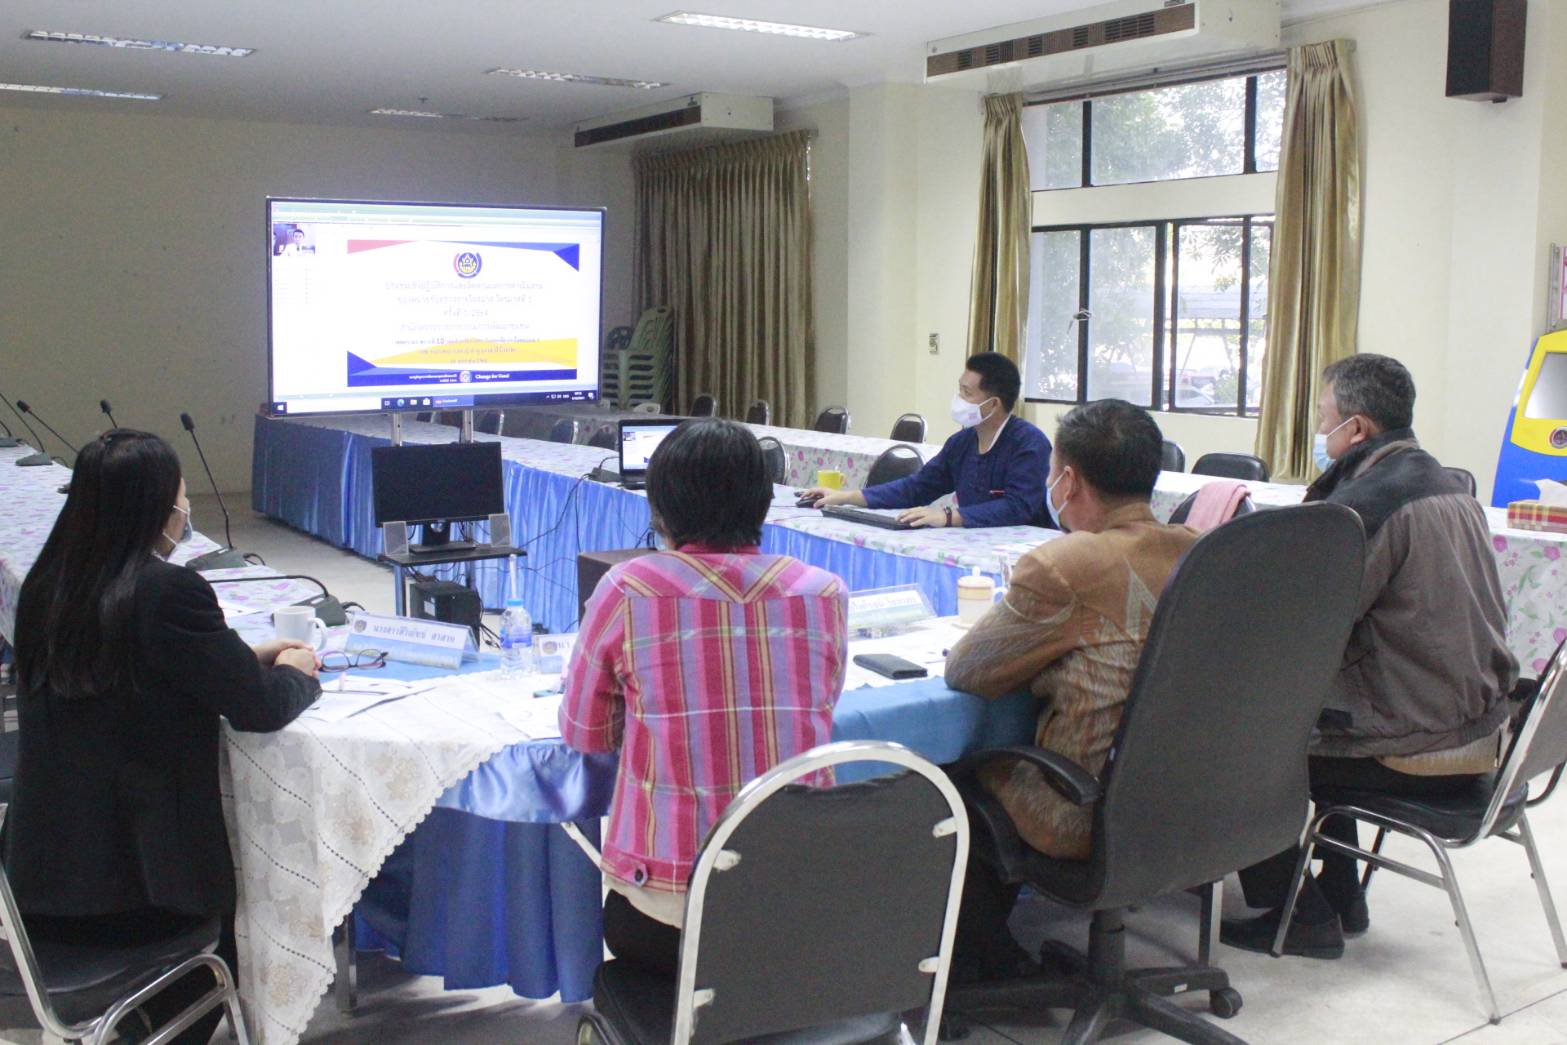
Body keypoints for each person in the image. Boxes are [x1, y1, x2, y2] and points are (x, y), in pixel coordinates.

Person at [1, 430, 321, 1043]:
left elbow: (116, 671)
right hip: (143, 896)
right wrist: (294, 672)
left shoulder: (49, 585)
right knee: (251, 906)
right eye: (181, 499)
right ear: (157, 509)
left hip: (41, 884)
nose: (186, 511)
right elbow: (257, 709)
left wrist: (237, 655)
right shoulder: (167, 591)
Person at [1222, 354, 1518, 959]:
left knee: (1240, 751)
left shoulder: (1368, 507)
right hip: (1475, 717)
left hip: (1418, 734)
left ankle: (1299, 916)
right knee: (1316, 715)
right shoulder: (1441, 481)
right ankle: (1340, 893)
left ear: (1356, 430)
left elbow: (1298, 625)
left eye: (1323, 417)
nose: (1319, 432)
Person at [559, 418, 848, 976]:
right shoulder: (822, 593)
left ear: (660, 508)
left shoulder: (628, 588)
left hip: (670, 916)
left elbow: (585, 734)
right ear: (764, 503)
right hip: (804, 902)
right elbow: (822, 702)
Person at [941, 400, 1198, 979]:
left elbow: (969, 672)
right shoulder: (1200, 547)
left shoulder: (1068, 563)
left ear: (1069, 480)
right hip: (1193, 797)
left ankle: (988, 962)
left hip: (1087, 808)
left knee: (947, 773)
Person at [799, 352, 1052, 528]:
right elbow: (916, 487)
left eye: (967, 393)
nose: (958, 399)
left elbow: (1018, 507)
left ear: (993, 404)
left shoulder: (1029, 445)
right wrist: (844, 497)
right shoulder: (961, 443)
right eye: (959, 389)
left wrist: (948, 517)